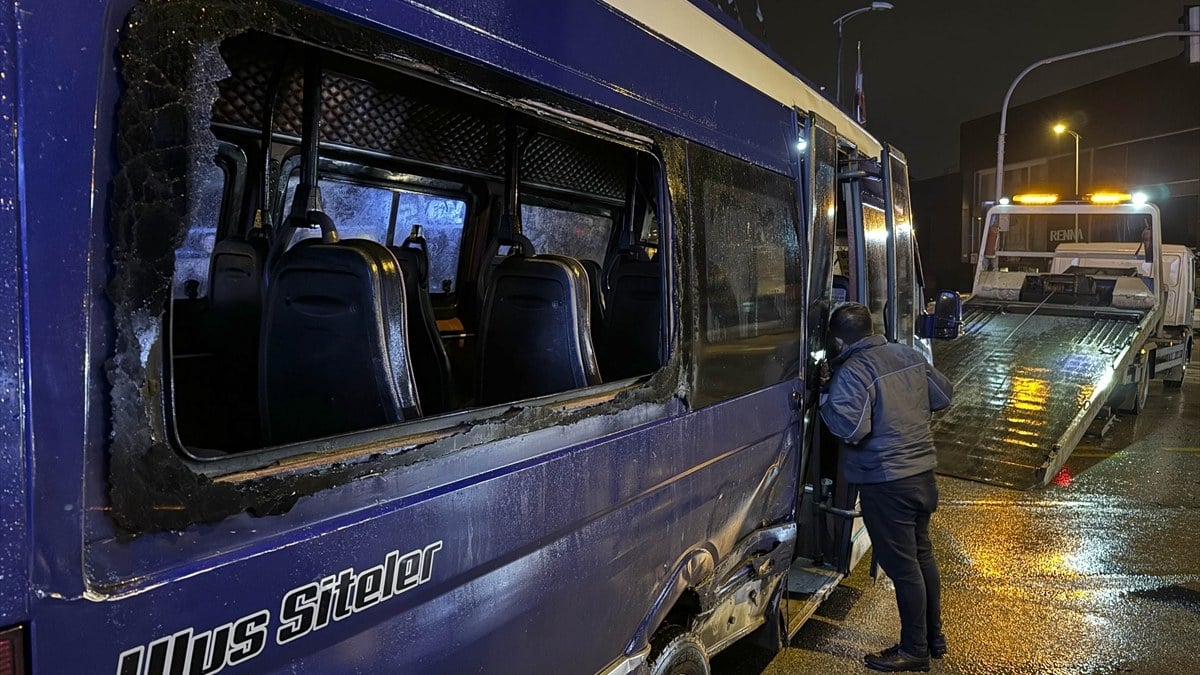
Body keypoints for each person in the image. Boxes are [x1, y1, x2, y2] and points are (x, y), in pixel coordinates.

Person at [819, 303, 954, 673]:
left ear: (836, 340)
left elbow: (850, 429)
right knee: (921, 557)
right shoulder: (907, 354)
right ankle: (932, 638)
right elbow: (943, 396)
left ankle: (913, 651)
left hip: (886, 480)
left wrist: (825, 400)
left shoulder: (853, 371)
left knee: (903, 568)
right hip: (922, 476)